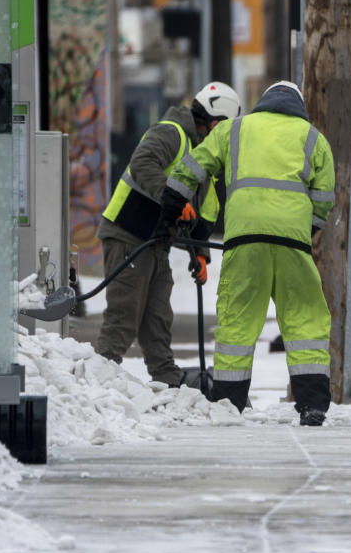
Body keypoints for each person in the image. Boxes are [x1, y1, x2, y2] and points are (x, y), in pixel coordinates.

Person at [154, 81, 335, 425]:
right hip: (293, 242)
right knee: (305, 318)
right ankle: (312, 405)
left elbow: (194, 166)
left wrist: (170, 209)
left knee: (238, 319)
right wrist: (303, 230)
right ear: (297, 105)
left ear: (264, 102)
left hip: (243, 239)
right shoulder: (313, 138)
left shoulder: (235, 130)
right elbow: (324, 198)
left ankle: (228, 402)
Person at [94, 82, 242, 386]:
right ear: (216, 122)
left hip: (156, 243)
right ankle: (97, 383)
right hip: (128, 234)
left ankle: (167, 381)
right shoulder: (171, 132)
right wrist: (170, 195)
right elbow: (142, 164)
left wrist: (201, 255)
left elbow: (208, 211)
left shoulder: (205, 155)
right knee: (125, 315)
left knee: (158, 317)